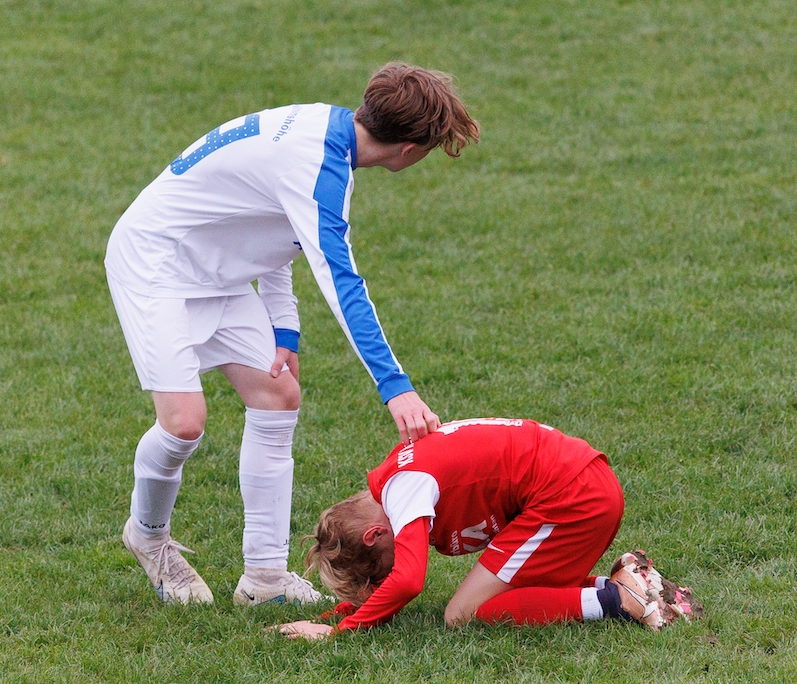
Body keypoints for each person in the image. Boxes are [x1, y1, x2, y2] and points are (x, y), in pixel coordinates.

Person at [104, 63, 480, 606]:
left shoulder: (329, 132)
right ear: (410, 149)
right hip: (156, 262)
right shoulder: (321, 169)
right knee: (184, 424)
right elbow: (343, 284)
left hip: (218, 270)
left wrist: (286, 328)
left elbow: (271, 223)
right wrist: (396, 388)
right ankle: (149, 536)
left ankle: (263, 578)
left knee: (278, 395)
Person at [274, 418, 701, 638]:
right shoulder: (395, 479)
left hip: (570, 497)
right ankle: (631, 582)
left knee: (462, 614)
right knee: (508, 597)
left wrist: (338, 634)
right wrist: (343, 610)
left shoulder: (404, 491)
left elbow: (406, 581)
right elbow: (394, 582)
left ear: (374, 535)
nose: (388, 572)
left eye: (376, 571)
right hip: (581, 483)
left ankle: (615, 600)